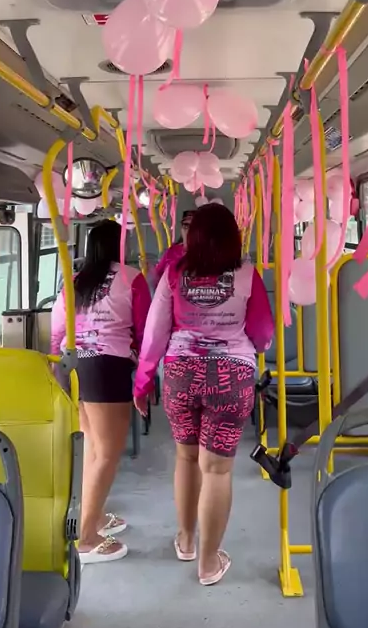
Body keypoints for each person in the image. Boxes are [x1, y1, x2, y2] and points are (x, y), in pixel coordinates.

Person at [134, 203, 274, 585]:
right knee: (217, 469)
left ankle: (186, 540)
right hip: (231, 374)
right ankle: (209, 564)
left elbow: (154, 333)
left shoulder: (175, 273)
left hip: (181, 372)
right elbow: (263, 334)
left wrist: (142, 383)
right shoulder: (247, 274)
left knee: (186, 457)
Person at [50, 220, 151, 564]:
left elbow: (57, 330)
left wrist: (57, 372)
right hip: (108, 366)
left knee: (92, 447)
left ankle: (90, 516)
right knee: (107, 453)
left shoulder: (75, 281)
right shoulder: (132, 278)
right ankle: (85, 538)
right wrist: (144, 373)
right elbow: (144, 329)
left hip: (74, 365)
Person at [150, 210, 194, 290]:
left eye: (194, 227)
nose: (189, 231)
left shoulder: (206, 255)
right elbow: (157, 278)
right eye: (186, 226)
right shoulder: (172, 251)